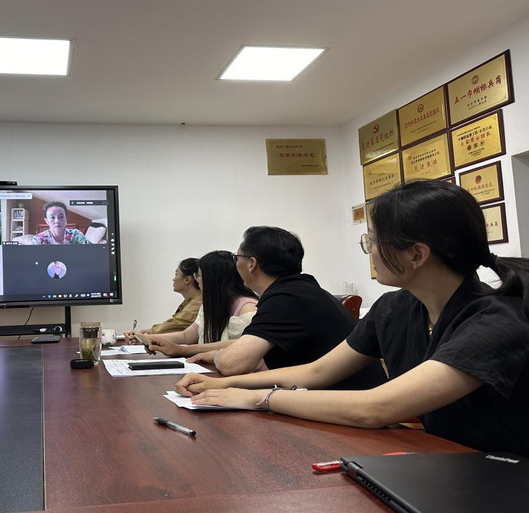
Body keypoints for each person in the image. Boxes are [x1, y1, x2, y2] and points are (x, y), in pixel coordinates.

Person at [176, 180, 529, 456]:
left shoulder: (496, 322)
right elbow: (316, 372)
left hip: (502, 475)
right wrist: (227, 385)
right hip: (443, 460)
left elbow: (377, 408)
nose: (369, 251)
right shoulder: (394, 308)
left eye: (373, 241)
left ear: (417, 254)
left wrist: (258, 398)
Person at [150, 228, 385, 388]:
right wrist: (204, 353)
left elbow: (233, 363)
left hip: (347, 411)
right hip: (332, 399)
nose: (235, 264)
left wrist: (219, 356)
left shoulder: (285, 297)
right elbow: (248, 348)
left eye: (237, 257)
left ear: (252, 263)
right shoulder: (297, 289)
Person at [135, 251, 258, 351]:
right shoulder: (209, 305)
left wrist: (182, 350)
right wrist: (149, 338)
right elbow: (186, 336)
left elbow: (241, 347)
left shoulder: (247, 308)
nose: (197, 281)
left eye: (198, 276)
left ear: (213, 280)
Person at [125, 258, 202, 339]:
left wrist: (143, 335)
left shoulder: (198, 302)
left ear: (187, 280)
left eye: (176, 274)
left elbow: (174, 326)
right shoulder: (190, 301)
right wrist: (142, 334)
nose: (173, 279)